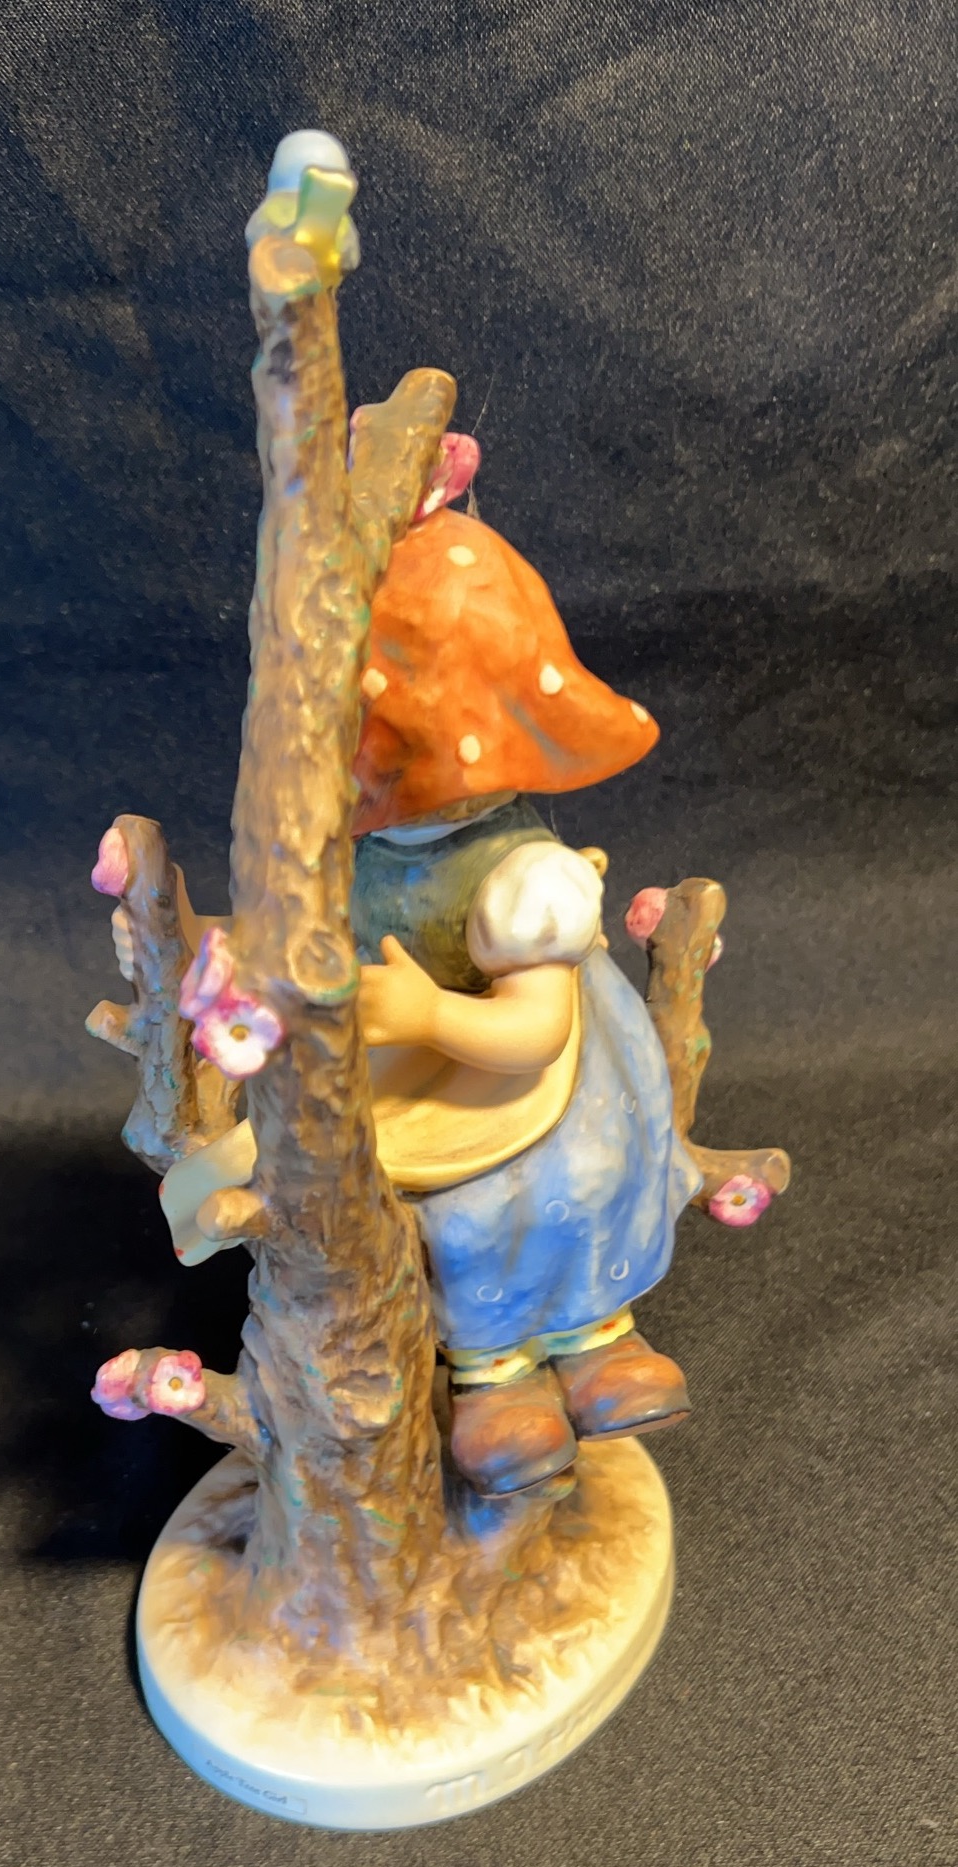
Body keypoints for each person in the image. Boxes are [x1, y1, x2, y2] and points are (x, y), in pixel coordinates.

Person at [119, 437, 700, 1497]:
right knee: (454, 1229)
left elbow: (533, 1029)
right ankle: (494, 1381)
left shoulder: (522, 876)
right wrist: (206, 955)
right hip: (401, 1070)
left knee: (561, 1194)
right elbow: (293, 938)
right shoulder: (347, 858)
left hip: (522, 1073)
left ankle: (599, 1340)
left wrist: (432, 1014)